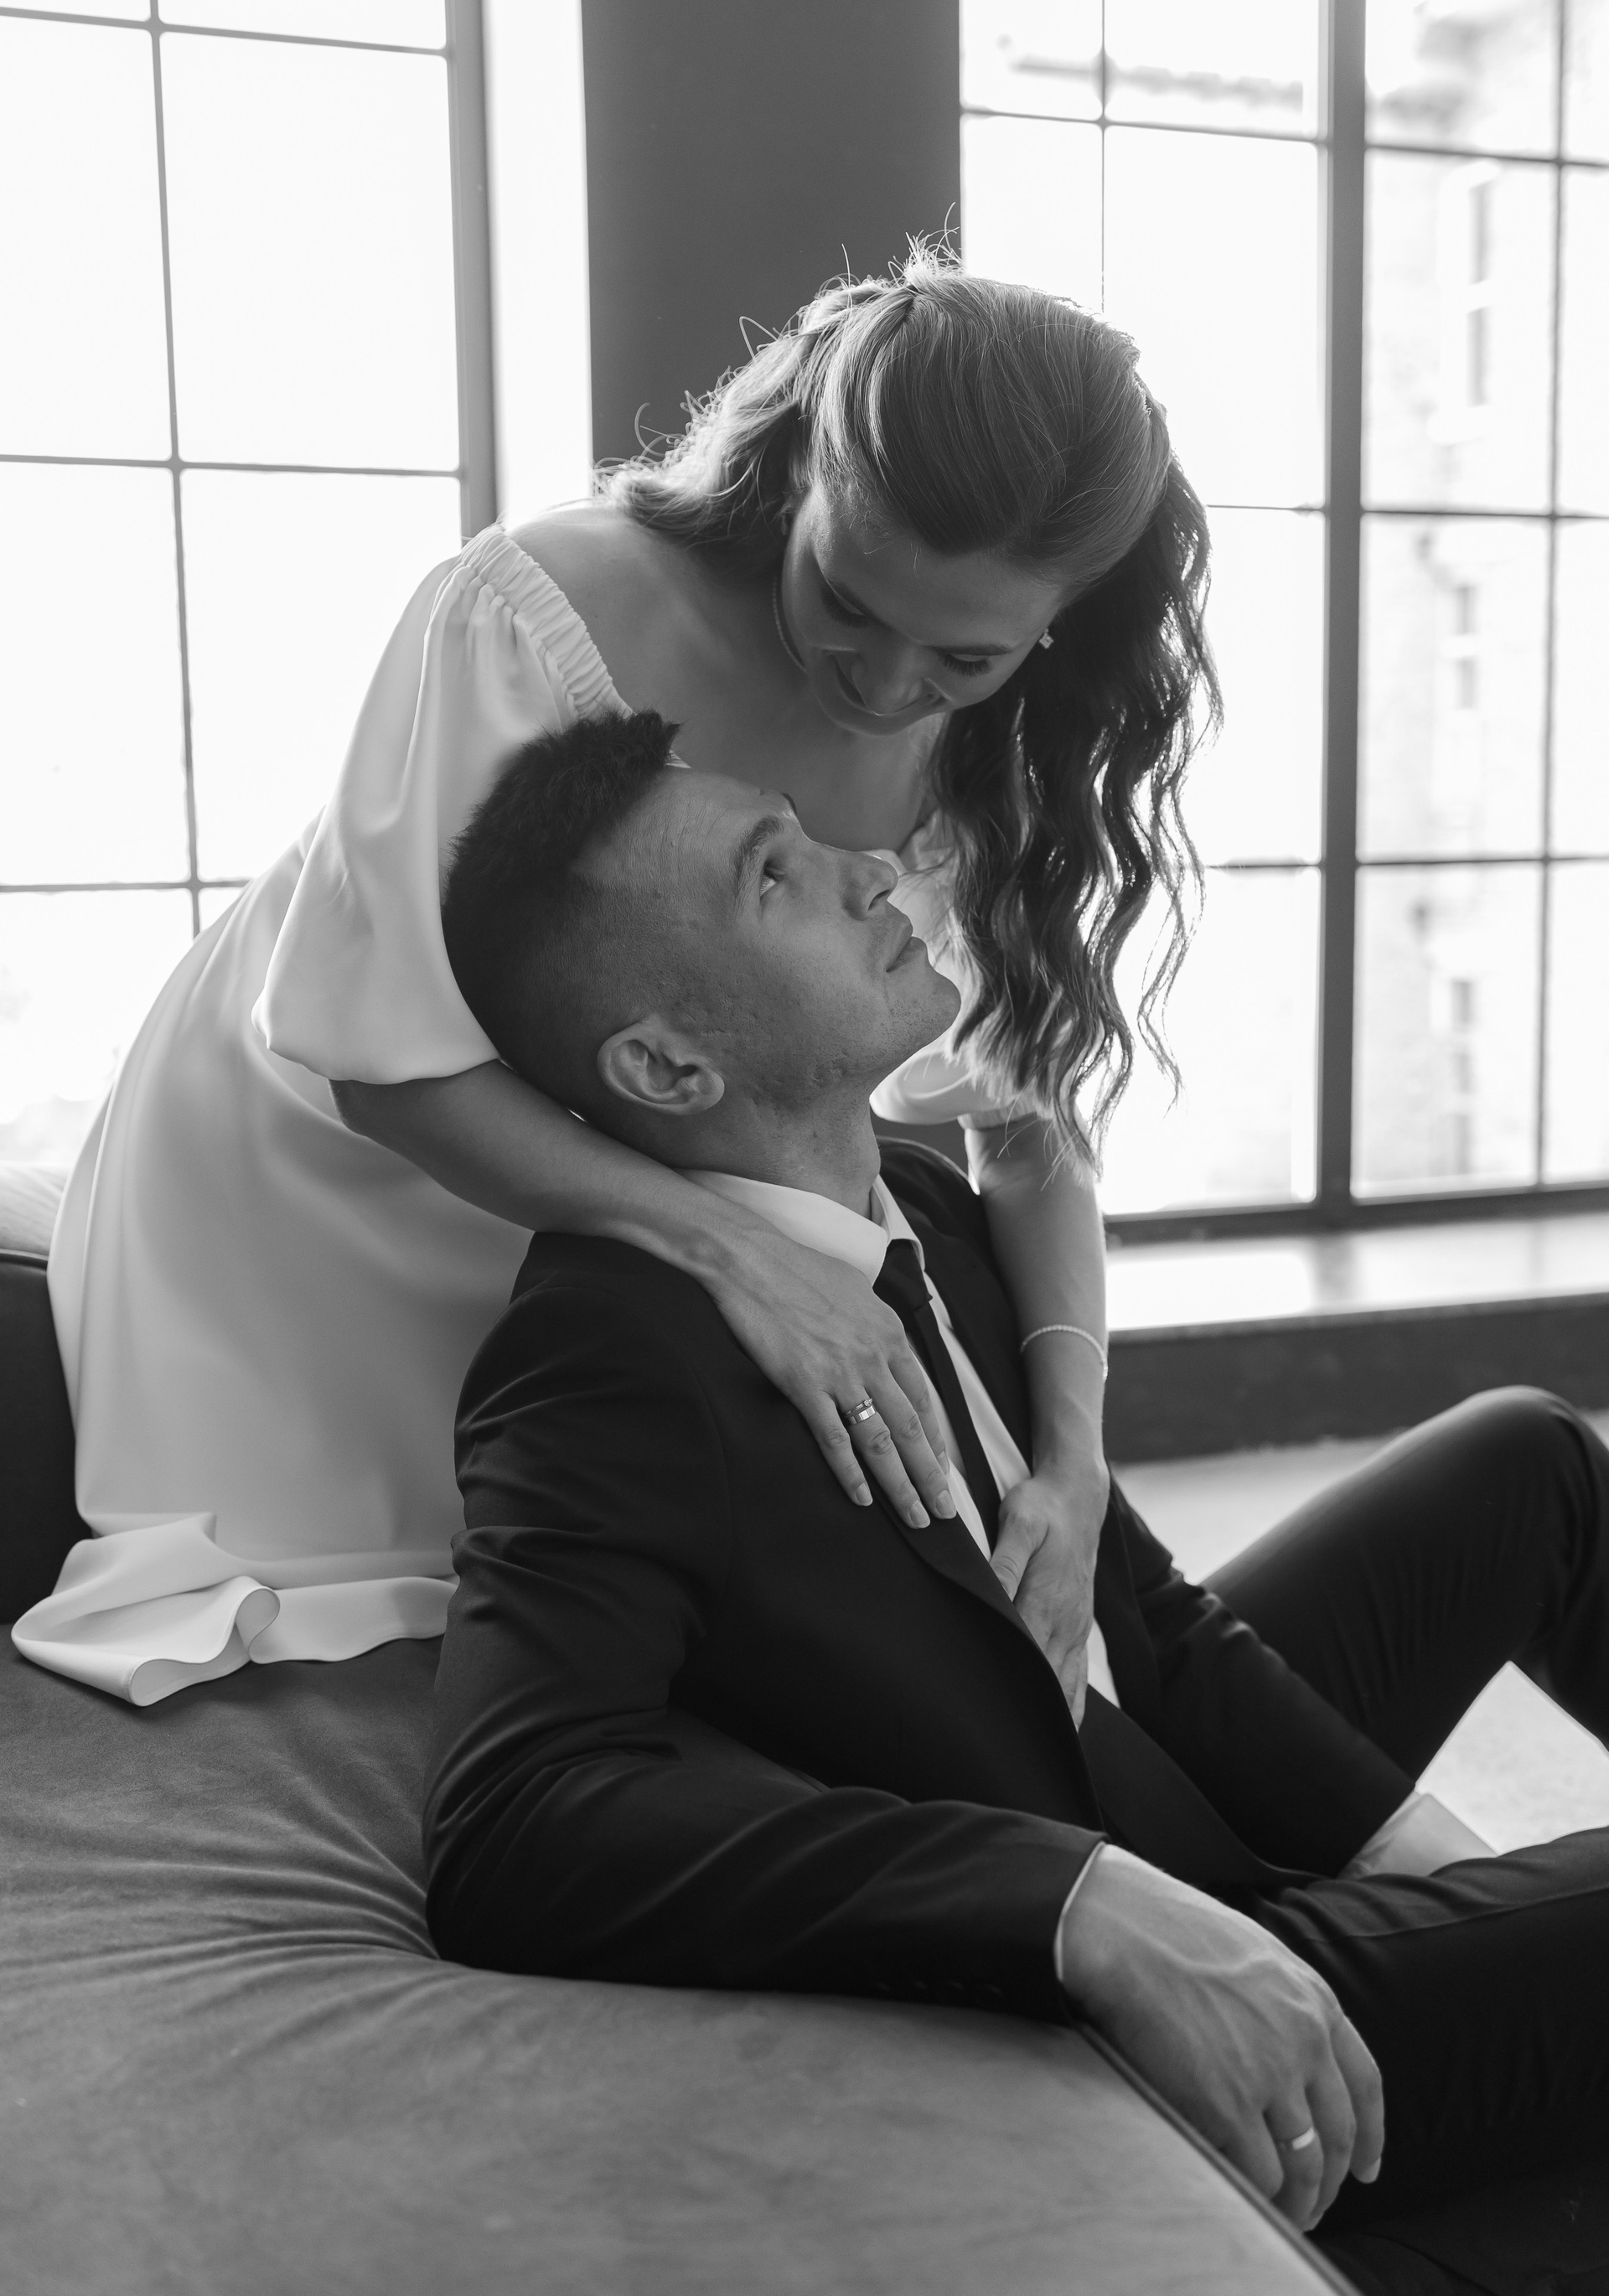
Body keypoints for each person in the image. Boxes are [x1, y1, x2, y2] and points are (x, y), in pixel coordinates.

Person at [425, 711, 1609, 2273]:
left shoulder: (912, 1194)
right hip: (1155, 1951)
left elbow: (1146, 1619)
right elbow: (509, 1816)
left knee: (1529, 1458)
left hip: (1156, 1777)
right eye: (775, 874)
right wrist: (1072, 1901)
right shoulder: (605, 1351)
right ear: (664, 1062)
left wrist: (1424, 1861)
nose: (866, 869)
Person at [21, 252, 1217, 1705]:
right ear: (807, 474)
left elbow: (1022, 1115)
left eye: (963, 657)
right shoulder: (536, 607)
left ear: (1056, 625)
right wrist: (736, 1257)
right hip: (311, 1174)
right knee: (396, 1643)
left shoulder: (1007, 745)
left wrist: (1079, 1461)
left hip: (612, 1252)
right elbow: (376, 1064)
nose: (886, 684)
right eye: (846, 599)